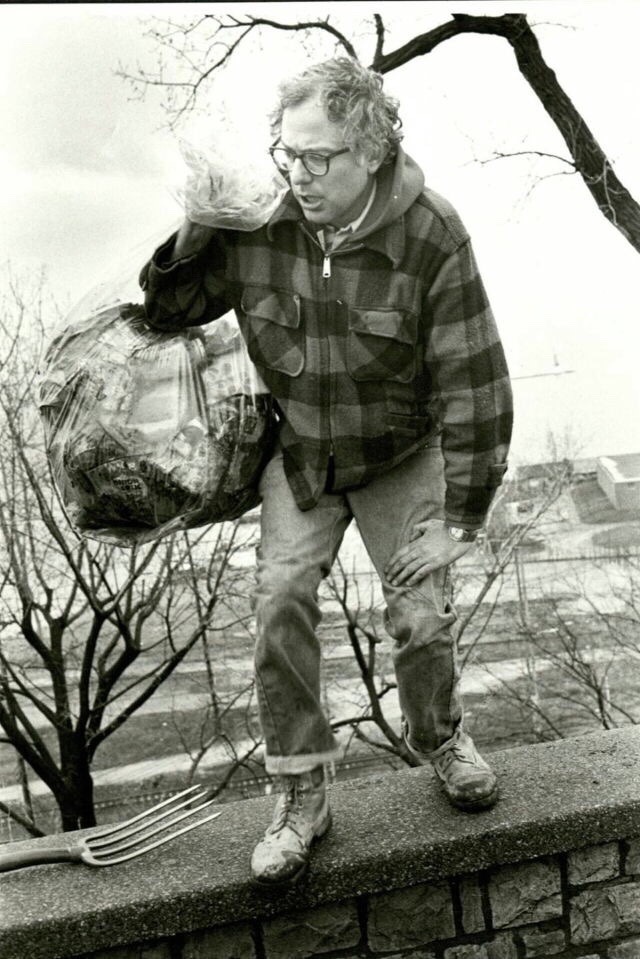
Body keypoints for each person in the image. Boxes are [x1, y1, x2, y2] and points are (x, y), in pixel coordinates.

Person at [140, 57, 513, 888]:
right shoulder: (260, 221)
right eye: (287, 154)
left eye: (318, 159)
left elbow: (475, 382)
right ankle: (301, 793)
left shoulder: (432, 234)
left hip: (400, 454)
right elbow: (165, 309)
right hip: (302, 452)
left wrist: (460, 522)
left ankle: (440, 736)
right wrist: (202, 226)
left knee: (419, 613)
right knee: (277, 599)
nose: (298, 176)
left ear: (371, 152)